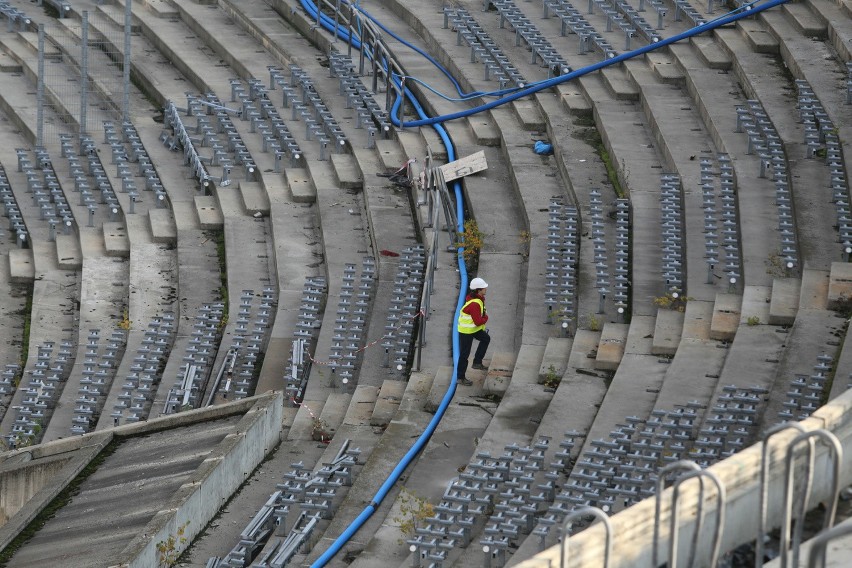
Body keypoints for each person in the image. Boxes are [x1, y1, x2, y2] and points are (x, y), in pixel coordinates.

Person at [457, 277, 491, 386]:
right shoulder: (475, 304)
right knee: (464, 354)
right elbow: (478, 321)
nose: (486, 289)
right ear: (479, 290)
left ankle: (477, 362)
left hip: (472, 329)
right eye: (484, 288)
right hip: (466, 331)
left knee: (486, 338)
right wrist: (486, 318)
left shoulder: (476, 299)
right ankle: (460, 377)